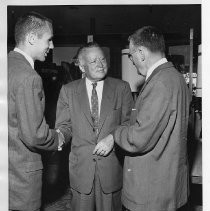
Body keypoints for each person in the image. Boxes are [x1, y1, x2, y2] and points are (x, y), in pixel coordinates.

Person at [98, 26, 191, 211]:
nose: (131, 61)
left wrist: (115, 132)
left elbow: (139, 139)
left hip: (151, 191)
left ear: (141, 52)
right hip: (168, 185)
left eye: (131, 55)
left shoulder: (160, 83)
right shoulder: (176, 77)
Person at [55, 42, 134, 211]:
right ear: (82, 67)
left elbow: (130, 123)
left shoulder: (122, 88)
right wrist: (60, 136)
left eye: (102, 59)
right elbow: (64, 125)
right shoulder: (68, 91)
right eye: (93, 61)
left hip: (111, 169)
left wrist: (113, 138)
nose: (100, 64)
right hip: (81, 169)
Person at [8, 12, 64, 211]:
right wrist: (58, 139)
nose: (52, 46)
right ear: (32, 38)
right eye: (49, 40)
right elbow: (34, 135)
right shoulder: (29, 77)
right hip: (21, 180)